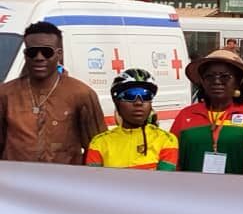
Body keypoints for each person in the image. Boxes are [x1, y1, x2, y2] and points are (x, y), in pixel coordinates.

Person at [0, 22, 105, 164]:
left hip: (64, 182)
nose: (39, 57)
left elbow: (98, 148)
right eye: (32, 52)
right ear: (25, 55)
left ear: (59, 54)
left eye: (46, 52)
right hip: (16, 181)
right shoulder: (6, 94)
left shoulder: (82, 94)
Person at [171, 49, 243, 174]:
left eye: (225, 77)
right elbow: (173, 160)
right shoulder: (186, 115)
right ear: (202, 81)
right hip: (191, 191)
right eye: (209, 76)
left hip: (238, 192)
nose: (217, 81)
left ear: (239, 81)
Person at [85, 69, 178, 171]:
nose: (138, 102)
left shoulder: (167, 140)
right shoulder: (98, 143)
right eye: (130, 95)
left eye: (145, 95)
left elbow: (163, 183)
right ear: (117, 103)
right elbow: (94, 184)